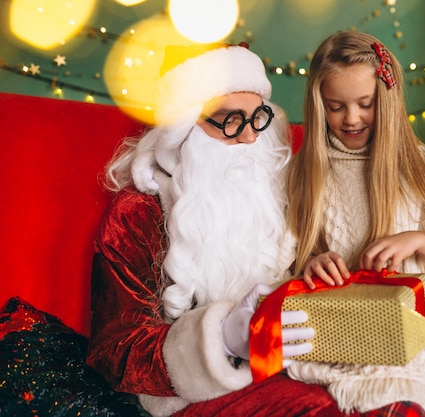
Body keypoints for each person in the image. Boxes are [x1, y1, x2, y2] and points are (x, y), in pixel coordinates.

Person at [86, 43, 346, 417]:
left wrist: (315, 271)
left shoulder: (277, 190)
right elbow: (116, 351)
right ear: (183, 130)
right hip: (188, 396)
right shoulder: (137, 214)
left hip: (286, 369)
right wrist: (221, 339)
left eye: (258, 117)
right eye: (229, 121)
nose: (250, 138)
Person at [280, 31, 425, 417]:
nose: (352, 118)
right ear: (318, 104)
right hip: (344, 334)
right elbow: (282, 258)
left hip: (421, 329)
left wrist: (415, 240)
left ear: (386, 99)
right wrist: (310, 263)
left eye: (365, 104)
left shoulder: (417, 164)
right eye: (335, 106)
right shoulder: (304, 173)